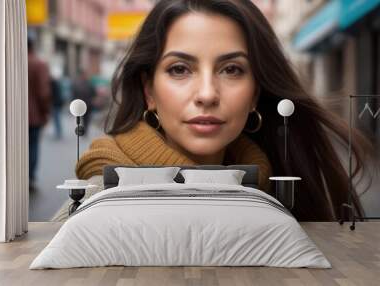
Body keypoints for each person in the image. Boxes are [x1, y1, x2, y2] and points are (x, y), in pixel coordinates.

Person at [54, 0, 373, 222]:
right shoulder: (99, 195)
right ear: (149, 91)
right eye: (179, 69)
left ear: (254, 94)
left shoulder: (282, 191)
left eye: (232, 69)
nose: (206, 94)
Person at [28, 39, 51, 190]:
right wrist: (45, 112)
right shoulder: (39, 64)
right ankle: (29, 177)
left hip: (9, 117)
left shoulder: (7, 59)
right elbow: (43, 92)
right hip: (33, 115)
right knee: (33, 145)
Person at [71, 70, 96, 136]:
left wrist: (93, 100)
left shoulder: (89, 84)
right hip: (80, 105)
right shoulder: (77, 84)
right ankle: (83, 129)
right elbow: (74, 94)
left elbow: (94, 93)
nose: (84, 76)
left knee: (87, 118)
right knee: (82, 118)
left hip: (88, 104)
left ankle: (85, 130)